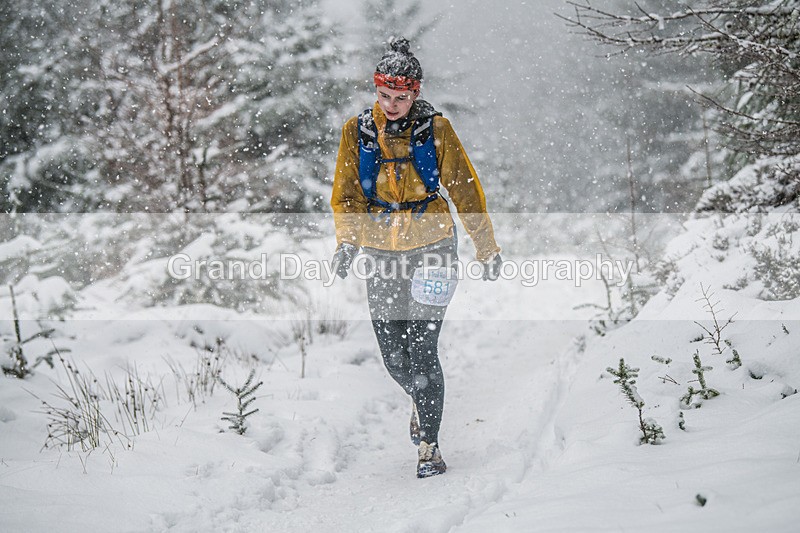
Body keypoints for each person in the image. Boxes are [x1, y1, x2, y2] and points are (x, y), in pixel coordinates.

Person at [330, 37, 502, 478]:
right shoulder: (357, 132)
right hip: (381, 251)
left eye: (401, 97)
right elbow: (346, 195)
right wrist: (347, 242)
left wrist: (486, 246)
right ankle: (420, 398)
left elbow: (466, 190)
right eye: (384, 96)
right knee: (393, 356)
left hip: (435, 248)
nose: (391, 105)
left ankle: (430, 445)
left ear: (415, 93)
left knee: (422, 348)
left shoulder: (436, 130)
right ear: (376, 90)